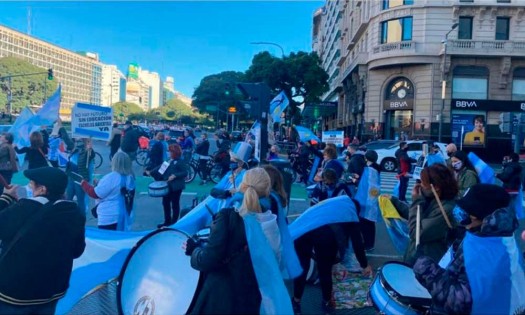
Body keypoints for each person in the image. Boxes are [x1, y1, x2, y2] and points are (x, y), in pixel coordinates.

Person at [185, 168, 290, 314]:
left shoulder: (228, 217)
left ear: (242, 186)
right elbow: (276, 264)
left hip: (221, 295)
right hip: (251, 297)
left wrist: (193, 250)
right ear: (267, 190)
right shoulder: (272, 223)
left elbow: (208, 259)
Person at [413, 184, 525, 314]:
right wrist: (457, 243)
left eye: (466, 214)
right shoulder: (495, 236)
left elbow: (459, 302)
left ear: (484, 218)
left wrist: (426, 269)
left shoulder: (488, 253)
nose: (461, 218)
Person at [0, 167, 85, 314]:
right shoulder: (73, 212)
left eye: (32, 184)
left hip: (15, 292)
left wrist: (6, 198)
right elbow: (77, 251)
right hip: (51, 290)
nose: (30, 187)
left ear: (43, 189)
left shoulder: (24, 208)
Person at [293, 180, 372, 314]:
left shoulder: (339, 201)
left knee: (302, 268)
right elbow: (357, 243)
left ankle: (296, 302)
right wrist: (364, 265)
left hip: (302, 231)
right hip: (324, 237)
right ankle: (326, 302)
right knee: (325, 270)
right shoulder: (350, 212)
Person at [389, 164, 458, 266]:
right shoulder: (431, 198)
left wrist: (416, 201)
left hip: (428, 263)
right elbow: (418, 216)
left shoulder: (446, 209)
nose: (420, 185)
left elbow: (416, 233)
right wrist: (394, 202)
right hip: (418, 257)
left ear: (436, 187)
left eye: (423, 182)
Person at [81, 151, 135, 231]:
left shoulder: (111, 177)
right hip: (124, 216)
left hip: (108, 217)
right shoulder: (131, 178)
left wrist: (84, 184)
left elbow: (95, 194)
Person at [149, 144, 188, 227]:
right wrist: (151, 172)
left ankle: (174, 222)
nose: (168, 153)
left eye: (169, 151)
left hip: (176, 187)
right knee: (165, 203)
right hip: (167, 186)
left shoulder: (180, 161)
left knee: (175, 204)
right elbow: (160, 169)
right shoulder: (169, 160)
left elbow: (185, 172)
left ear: (174, 152)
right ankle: (167, 221)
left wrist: (175, 175)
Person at [66, 139, 96, 215]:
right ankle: (67, 216)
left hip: (80, 180)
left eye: (79, 140)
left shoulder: (87, 152)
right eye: (76, 141)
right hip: (71, 178)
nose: (77, 141)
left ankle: (81, 219)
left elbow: (91, 155)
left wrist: (90, 149)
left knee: (80, 200)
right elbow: (67, 140)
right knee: (68, 199)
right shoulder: (74, 150)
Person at [359, 149, 381, 251]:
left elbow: (373, 187)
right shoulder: (372, 168)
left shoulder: (372, 170)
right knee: (367, 223)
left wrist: (371, 201)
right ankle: (368, 243)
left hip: (367, 201)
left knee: (367, 224)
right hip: (367, 200)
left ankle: (368, 244)